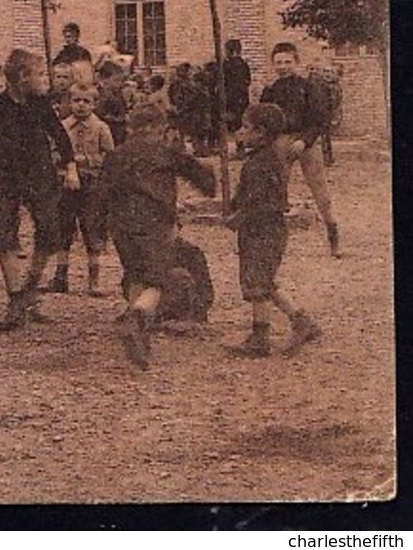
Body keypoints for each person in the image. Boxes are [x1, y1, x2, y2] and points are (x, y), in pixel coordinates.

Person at [104, 104, 215, 369]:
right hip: (155, 222)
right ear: (160, 128)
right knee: (158, 280)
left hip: (121, 224)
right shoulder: (167, 151)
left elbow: (101, 192)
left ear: (131, 128)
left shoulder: (115, 155)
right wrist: (209, 181)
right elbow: (198, 175)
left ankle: (140, 333)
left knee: (135, 273)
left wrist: (97, 229)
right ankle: (137, 319)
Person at [0, 49, 80, 331]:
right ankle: (16, 301)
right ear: (22, 77)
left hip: (39, 176)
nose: (43, 78)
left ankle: (31, 288)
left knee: (50, 234)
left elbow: (58, 134)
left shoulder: (39, 103)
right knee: (4, 237)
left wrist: (70, 166)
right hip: (4, 179)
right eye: (39, 73)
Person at [226, 102, 323, 358]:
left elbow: (263, 202)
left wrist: (238, 216)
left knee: (258, 283)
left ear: (260, 132)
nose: (241, 132)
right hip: (263, 228)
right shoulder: (263, 159)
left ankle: (260, 338)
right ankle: (301, 321)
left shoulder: (261, 164)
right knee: (264, 280)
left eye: (246, 127)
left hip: (262, 229)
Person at [259, 42, 341, 258]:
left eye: (287, 62)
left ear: (296, 62)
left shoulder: (308, 87)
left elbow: (319, 119)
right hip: (280, 143)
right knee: (276, 190)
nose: (283, 66)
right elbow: (262, 121)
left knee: (319, 188)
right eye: (278, 63)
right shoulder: (271, 90)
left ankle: (333, 233)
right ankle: (272, 241)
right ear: (272, 65)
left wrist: (305, 141)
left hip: (306, 142)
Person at [50, 81, 116, 296]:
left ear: (94, 104)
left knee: (92, 229)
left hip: (91, 185)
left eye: (86, 101)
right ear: (69, 102)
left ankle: (93, 281)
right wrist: (62, 161)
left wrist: (85, 160)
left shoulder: (101, 128)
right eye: (76, 100)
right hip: (66, 185)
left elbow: (109, 156)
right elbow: (52, 152)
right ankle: (60, 276)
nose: (80, 105)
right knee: (63, 229)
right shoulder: (62, 127)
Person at [222, 39, 252, 134]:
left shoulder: (226, 65)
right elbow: (248, 81)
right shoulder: (244, 64)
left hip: (230, 98)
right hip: (242, 97)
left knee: (231, 123)